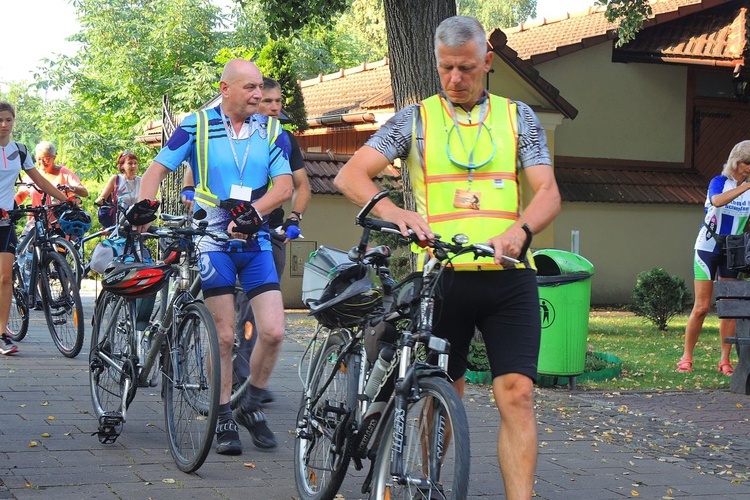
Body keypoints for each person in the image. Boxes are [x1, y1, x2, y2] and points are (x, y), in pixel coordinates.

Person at [333, 16, 561, 499]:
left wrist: (521, 230)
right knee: (443, 396)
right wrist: (397, 213)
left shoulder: (519, 117)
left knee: (517, 394)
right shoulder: (413, 120)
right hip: (442, 279)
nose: (456, 80)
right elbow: (351, 175)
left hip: (507, 277)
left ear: (488, 62)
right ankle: (426, 484)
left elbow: (547, 192)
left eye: (467, 69)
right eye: (446, 69)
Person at [136, 59, 293, 456]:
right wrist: (143, 206)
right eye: (250, 88)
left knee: (273, 331)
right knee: (224, 336)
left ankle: (251, 401)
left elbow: (286, 184)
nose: (259, 95)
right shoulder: (197, 124)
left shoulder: (271, 129)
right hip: (212, 238)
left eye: (261, 87)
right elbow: (156, 170)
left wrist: (255, 214)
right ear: (225, 89)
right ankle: (222, 414)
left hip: (253, 237)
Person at [181, 77, 311, 400]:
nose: (274, 107)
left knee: (260, 319)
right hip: (221, 233)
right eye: (267, 101)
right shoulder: (223, 129)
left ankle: (250, 386)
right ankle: (225, 392)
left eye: (278, 102)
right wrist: (189, 191)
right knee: (228, 325)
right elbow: (195, 167)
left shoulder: (282, 138)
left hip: (266, 235)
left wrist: (296, 218)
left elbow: (300, 185)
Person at [0, 102, 79, 355]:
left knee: (4, 278)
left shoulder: (19, 151)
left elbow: (40, 180)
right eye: (0, 120)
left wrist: (66, 200)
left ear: (14, 121)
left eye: (9, 120)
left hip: (5, 220)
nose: (4, 124)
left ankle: (1, 334)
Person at [677, 140, 750, 375]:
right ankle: (686, 357)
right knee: (701, 306)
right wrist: (745, 187)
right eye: (747, 163)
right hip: (707, 248)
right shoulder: (719, 182)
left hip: (733, 251)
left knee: (729, 307)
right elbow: (717, 201)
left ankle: (725, 360)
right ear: (736, 163)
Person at [15, 141, 89, 214]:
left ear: (54, 158)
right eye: (39, 159)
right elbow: (20, 196)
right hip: (37, 222)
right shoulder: (32, 175)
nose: (42, 162)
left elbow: (84, 192)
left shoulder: (63, 173)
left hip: (61, 221)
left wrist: (70, 188)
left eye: (46, 159)